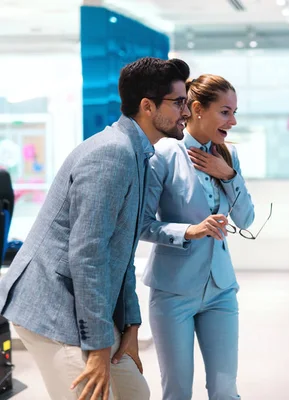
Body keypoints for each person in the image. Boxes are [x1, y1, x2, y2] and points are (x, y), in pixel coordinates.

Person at [0, 56, 191, 400]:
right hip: (52, 308)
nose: (187, 112)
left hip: (83, 305)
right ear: (148, 107)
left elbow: (122, 251)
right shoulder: (112, 154)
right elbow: (88, 256)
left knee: (135, 394)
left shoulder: (139, 154)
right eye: (179, 103)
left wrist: (130, 326)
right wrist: (100, 347)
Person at [141, 74, 255, 400]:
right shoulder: (163, 155)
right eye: (225, 111)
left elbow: (246, 219)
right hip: (173, 292)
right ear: (197, 109)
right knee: (177, 391)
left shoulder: (227, 158)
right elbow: (142, 224)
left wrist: (228, 175)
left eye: (234, 112)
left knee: (224, 390)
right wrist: (189, 231)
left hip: (220, 291)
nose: (232, 121)